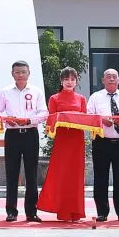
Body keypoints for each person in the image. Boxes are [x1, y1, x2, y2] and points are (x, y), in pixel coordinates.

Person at [0, 59, 46, 223]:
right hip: (13, 134)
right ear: (12, 74)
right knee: (12, 173)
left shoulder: (36, 91)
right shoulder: (5, 92)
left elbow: (44, 112)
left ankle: (31, 211)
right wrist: (7, 119)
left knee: (31, 174)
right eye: (17, 72)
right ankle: (11, 211)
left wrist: (30, 121)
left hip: (30, 133)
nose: (20, 75)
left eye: (23, 72)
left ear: (29, 73)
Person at [36, 66, 88, 223]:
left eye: (73, 79)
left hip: (77, 140)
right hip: (62, 140)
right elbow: (50, 120)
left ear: (76, 81)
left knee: (76, 175)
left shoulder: (81, 99)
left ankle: (76, 211)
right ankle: (63, 211)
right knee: (62, 174)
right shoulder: (54, 98)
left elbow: (85, 119)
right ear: (61, 81)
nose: (70, 82)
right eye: (66, 79)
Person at [86, 67, 119, 222]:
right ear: (103, 80)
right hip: (101, 142)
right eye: (108, 77)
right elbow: (89, 118)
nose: (112, 79)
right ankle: (102, 212)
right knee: (101, 178)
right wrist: (101, 120)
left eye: (114, 76)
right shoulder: (95, 97)